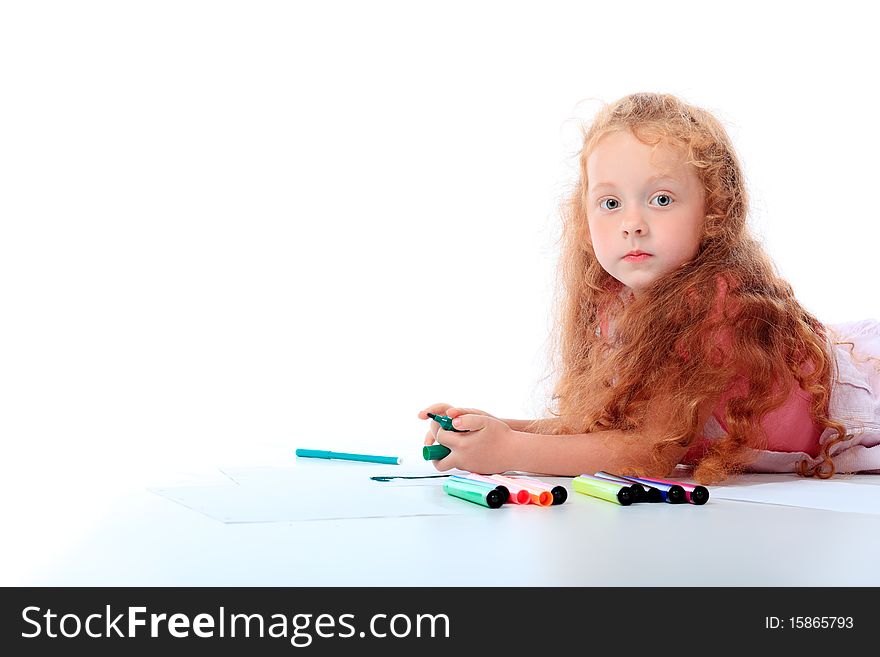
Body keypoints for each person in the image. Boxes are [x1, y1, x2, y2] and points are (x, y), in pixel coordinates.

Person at [418, 92, 880, 485]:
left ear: (714, 211)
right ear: (584, 216)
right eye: (610, 203)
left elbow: (649, 450)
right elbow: (613, 430)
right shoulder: (617, 301)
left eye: (661, 199)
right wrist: (496, 430)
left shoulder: (719, 305)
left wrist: (511, 452)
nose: (633, 224)